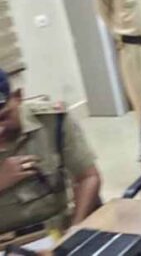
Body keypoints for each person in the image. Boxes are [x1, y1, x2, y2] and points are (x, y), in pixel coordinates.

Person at [0, 69, 101, 235]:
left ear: (18, 97)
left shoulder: (53, 121)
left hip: (57, 230)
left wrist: (76, 229)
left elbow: (88, 177)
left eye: (3, 117)